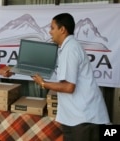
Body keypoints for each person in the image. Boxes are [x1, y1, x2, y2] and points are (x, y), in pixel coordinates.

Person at [32, 13, 110, 141]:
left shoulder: (70, 49)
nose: (50, 32)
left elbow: (68, 87)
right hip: (77, 118)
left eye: (52, 28)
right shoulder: (67, 48)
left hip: (84, 119)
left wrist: (43, 84)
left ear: (62, 30)